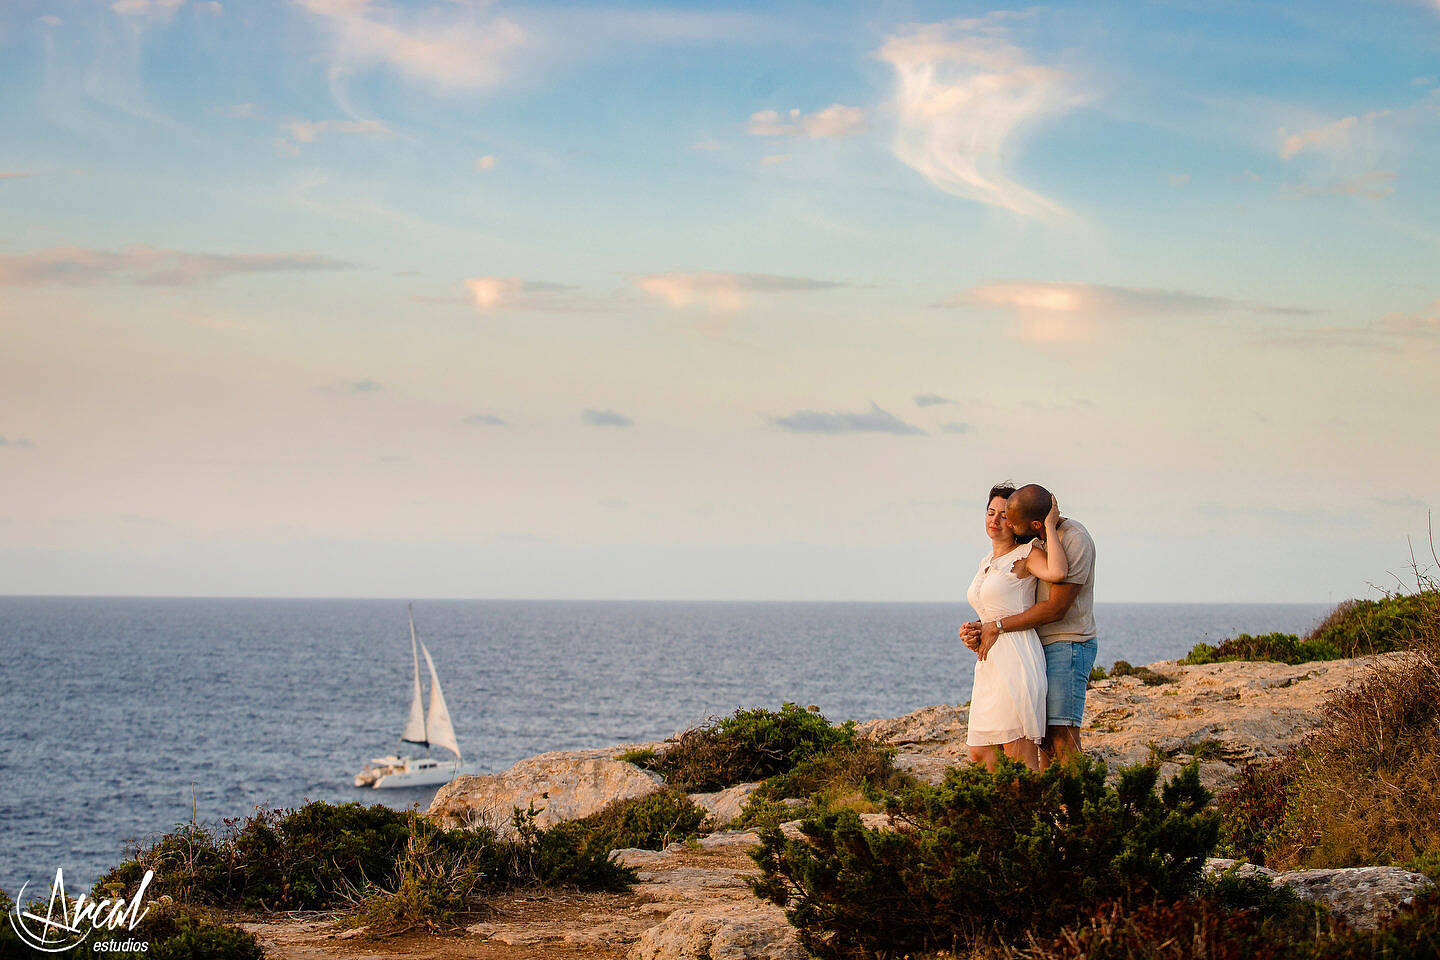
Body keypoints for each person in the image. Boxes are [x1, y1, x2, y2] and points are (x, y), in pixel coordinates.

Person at [961, 483, 1096, 769]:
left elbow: (1056, 608)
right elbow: (1006, 604)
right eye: (992, 513)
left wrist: (996, 626)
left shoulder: (1071, 540)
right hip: (1021, 645)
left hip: (1064, 642)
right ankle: (1041, 808)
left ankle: (1070, 809)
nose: (1002, 521)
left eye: (1008, 516)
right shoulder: (991, 559)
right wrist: (978, 629)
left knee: (1059, 739)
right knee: (1002, 748)